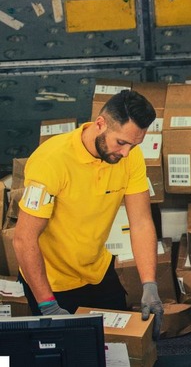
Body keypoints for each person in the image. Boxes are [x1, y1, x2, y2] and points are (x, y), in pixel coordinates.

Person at [14, 90, 164, 338]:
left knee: (119, 349)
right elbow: (23, 239)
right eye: (121, 142)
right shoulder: (51, 161)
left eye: (134, 144)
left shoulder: (130, 157)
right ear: (100, 124)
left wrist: (150, 284)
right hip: (52, 281)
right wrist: (47, 304)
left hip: (96, 270)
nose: (126, 152)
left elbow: (141, 222)